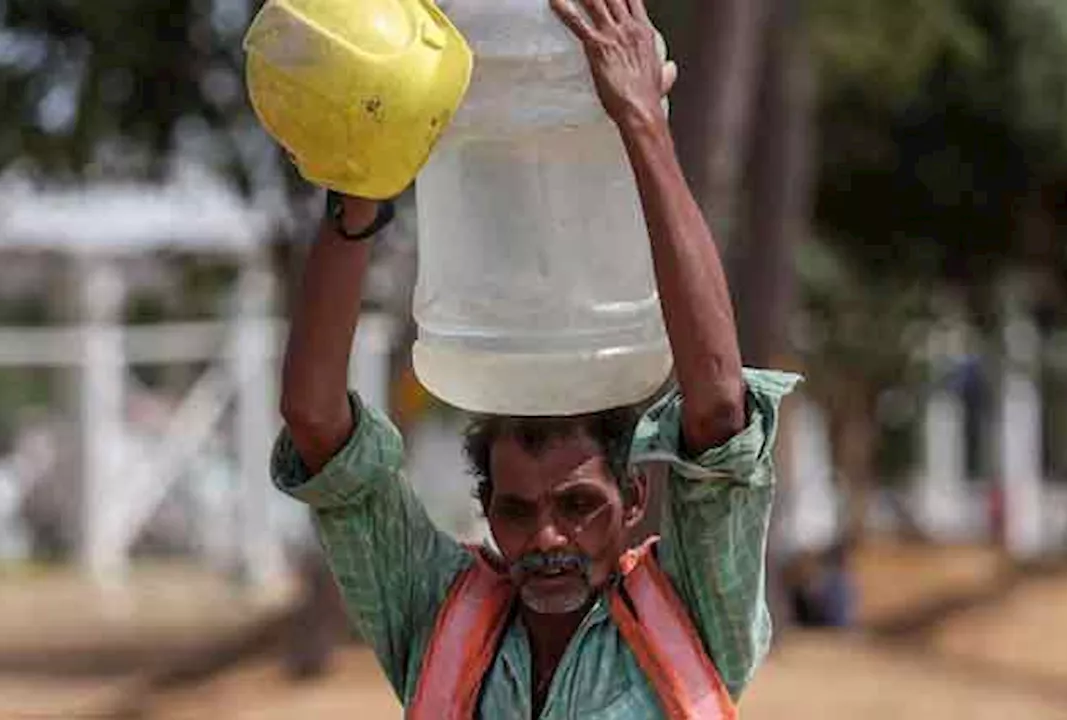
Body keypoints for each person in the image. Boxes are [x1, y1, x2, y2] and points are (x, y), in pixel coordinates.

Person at [271, 0, 800, 716]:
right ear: (484, 511)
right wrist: (359, 191)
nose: (548, 538)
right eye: (516, 511)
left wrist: (641, 121)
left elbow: (717, 408)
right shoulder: (436, 618)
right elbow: (315, 421)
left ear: (635, 499)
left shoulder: (697, 620)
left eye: (580, 505)